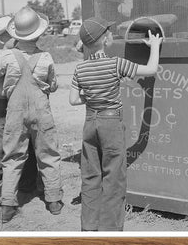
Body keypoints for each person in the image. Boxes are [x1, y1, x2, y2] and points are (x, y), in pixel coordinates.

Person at [69, 17, 162, 231]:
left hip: (90, 122)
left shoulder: (79, 69)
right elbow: (150, 69)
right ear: (105, 39)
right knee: (113, 176)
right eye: (108, 32)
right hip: (111, 122)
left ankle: (89, 226)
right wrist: (154, 46)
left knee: (91, 175)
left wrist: (92, 98)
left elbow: (73, 100)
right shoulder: (115, 64)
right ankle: (110, 229)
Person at [0, 7, 64, 223]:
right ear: (39, 33)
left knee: (12, 157)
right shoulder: (46, 57)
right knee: (48, 154)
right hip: (42, 111)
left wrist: (3, 87)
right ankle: (54, 201)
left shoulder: (7, 56)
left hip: (14, 112)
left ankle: (8, 205)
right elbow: (53, 86)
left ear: (16, 33)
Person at [0, 16, 39, 210]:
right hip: (3, 107)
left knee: (28, 146)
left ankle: (26, 185)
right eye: (10, 35)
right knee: (2, 152)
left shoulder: (20, 54)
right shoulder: (1, 55)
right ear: (4, 37)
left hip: (20, 105)